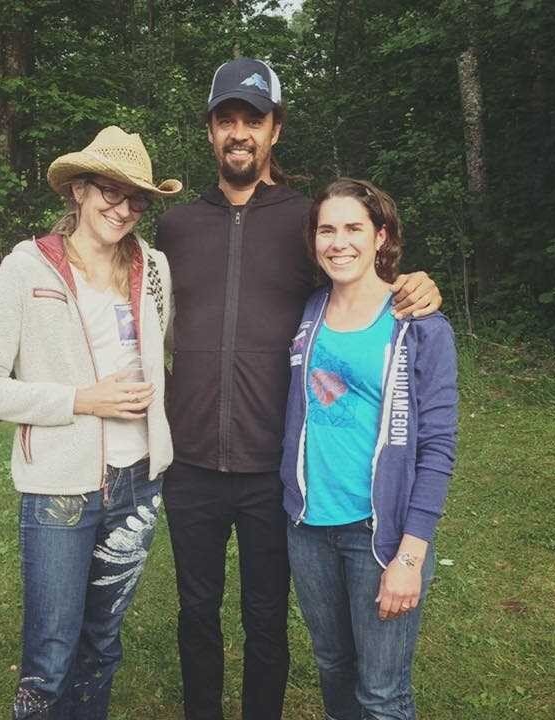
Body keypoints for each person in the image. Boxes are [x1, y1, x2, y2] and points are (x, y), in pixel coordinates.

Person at [155, 57, 443, 720]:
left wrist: (414, 282)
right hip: (191, 462)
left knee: (266, 620)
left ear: (274, 130)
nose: (238, 132)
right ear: (209, 133)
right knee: (196, 611)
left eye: (251, 120)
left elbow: (360, 275)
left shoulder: (303, 221)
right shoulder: (176, 228)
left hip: (273, 470)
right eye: (225, 119)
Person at [0, 126, 182, 720]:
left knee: (102, 646)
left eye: (137, 199)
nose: (123, 207)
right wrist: (82, 400)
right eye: (110, 190)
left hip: (138, 482)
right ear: (78, 190)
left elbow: (164, 349)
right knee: (51, 658)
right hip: (61, 491)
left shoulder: (153, 268)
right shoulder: (28, 266)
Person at [280, 178, 458, 720]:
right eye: (327, 229)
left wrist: (410, 554)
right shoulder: (309, 310)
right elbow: (320, 394)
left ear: (381, 237)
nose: (340, 242)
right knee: (333, 665)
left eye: (354, 228)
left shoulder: (419, 324)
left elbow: (438, 446)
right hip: (309, 527)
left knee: (382, 693)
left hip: (378, 536)